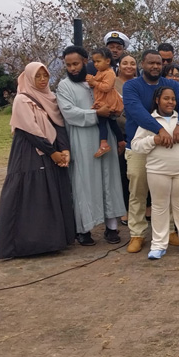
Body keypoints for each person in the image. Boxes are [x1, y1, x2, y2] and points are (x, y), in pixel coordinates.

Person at [0, 62, 75, 259]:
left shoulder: (51, 98)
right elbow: (30, 130)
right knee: (31, 193)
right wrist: (52, 153)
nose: (42, 80)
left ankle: (53, 241)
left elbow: (59, 125)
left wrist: (64, 149)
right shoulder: (22, 99)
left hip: (51, 150)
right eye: (37, 76)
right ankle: (27, 244)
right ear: (29, 78)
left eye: (45, 76)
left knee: (50, 192)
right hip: (29, 152)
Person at [122, 49, 179, 253]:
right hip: (140, 146)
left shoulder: (171, 85)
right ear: (142, 64)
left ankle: (169, 231)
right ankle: (137, 233)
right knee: (138, 191)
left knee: (167, 192)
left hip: (168, 147)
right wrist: (159, 129)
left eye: (158, 63)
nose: (155, 66)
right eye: (151, 63)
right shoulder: (131, 86)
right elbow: (136, 111)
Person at [56, 46, 126, 246]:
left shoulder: (98, 80)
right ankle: (83, 230)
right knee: (84, 183)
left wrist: (111, 111)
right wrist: (96, 114)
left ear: (85, 61)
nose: (73, 68)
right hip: (82, 140)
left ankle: (111, 227)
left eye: (76, 64)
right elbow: (69, 113)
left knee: (109, 181)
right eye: (69, 65)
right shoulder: (64, 86)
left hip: (106, 139)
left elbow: (114, 101)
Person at [131, 87, 179, 260]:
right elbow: (136, 145)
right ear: (157, 100)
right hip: (158, 171)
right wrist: (154, 140)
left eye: (173, 99)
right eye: (166, 98)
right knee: (159, 206)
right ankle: (158, 244)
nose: (170, 102)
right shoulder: (149, 121)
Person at [86, 47, 124, 159]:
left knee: (102, 121)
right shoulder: (100, 72)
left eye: (98, 61)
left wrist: (94, 82)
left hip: (107, 102)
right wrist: (91, 80)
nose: (96, 64)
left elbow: (106, 87)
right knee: (112, 123)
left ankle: (104, 143)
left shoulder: (110, 73)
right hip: (102, 100)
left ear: (107, 61)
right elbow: (96, 82)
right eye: (94, 62)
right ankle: (121, 141)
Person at [114, 53, 137, 221]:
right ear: (119, 66)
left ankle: (145, 207)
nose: (129, 66)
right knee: (122, 172)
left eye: (132, 63)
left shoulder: (139, 83)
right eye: (125, 63)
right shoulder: (112, 83)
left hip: (139, 133)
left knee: (138, 173)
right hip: (119, 133)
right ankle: (124, 209)